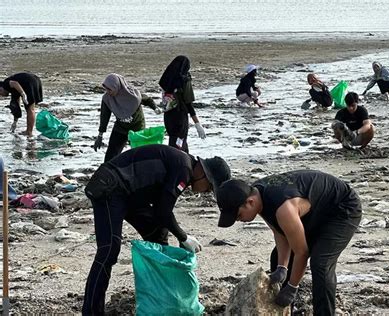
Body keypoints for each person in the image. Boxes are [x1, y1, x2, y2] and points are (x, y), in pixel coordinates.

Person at [82, 144, 231, 314]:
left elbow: (162, 210)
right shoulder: (184, 168)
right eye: (210, 187)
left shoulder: (184, 167)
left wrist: (180, 238)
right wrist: (184, 237)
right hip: (110, 187)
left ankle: (161, 299)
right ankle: (91, 312)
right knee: (108, 250)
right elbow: (163, 212)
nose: (206, 191)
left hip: (130, 194)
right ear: (204, 174)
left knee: (158, 234)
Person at [216, 170, 362, 315]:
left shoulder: (284, 208)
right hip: (315, 210)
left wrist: (293, 287)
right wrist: (282, 267)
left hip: (342, 208)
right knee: (277, 258)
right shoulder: (256, 194)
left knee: (321, 263)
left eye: (238, 215)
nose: (237, 220)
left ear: (250, 202)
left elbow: (301, 252)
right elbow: (279, 232)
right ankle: (284, 311)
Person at [93, 73, 161, 162]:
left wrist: (155, 108)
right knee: (111, 157)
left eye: (110, 89)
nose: (108, 92)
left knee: (138, 156)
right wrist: (100, 135)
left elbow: (147, 100)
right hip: (120, 128)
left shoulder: (134, 95)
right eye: (106, 89)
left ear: (116, 86)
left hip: (137, 128)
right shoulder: (107, 98)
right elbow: (104, 117)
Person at [159, 55, 206, 153]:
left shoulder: (166, 79)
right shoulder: (184, 80)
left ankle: (179, 161)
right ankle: (180, 163)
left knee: (174, 141)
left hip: (168, 116)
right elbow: (188, 103)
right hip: (180, 117)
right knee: (180, 143)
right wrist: (197, 124)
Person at [0, 72, 43, 136]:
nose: (1, 96)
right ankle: (29, 131)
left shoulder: (5, 84)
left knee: (30, 108)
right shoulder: (13, 92)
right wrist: (15, 122)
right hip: (35, 80)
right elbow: (16, 108)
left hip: (29, 81)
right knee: (30, 108)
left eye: (0, 94)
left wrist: (23, 94)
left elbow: (15, 83)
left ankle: (29, 132)